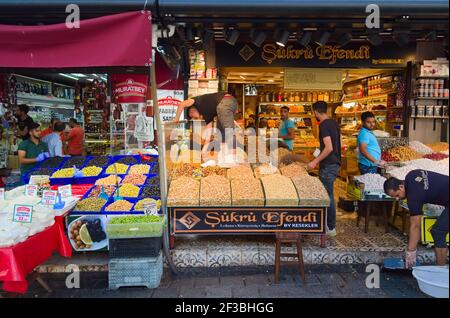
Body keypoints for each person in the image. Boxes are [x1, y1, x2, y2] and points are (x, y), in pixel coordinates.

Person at [384, 170, 449, 268]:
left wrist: (411, 252)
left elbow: (415, 226)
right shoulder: (411, 174)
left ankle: (441, 270)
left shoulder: (413, 197)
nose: (397, 199)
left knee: (438, 231)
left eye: (397, 195)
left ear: (401, 187)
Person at [307, 101, 341, 237]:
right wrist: (317, 154)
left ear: (315, 112)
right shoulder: (333, 123)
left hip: (329, 165)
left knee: (328, 196)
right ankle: (327, 224)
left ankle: (330, 226)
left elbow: (329, 147)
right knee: (328, 194)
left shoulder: (324, 125)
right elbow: (337, 144)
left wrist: (315, 161)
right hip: (335, 163)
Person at [173, 92, 238, 156]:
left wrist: (176, 118)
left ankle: (232, 157)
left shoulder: (196, 101)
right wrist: (204, 149)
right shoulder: (207, 114)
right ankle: (224, 155)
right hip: (229, 102)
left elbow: (182, 104)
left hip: (226, 101)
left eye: (192, 116)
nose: (193, 118)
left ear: (191, 110)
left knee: (229, 131)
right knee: (221, 132)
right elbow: (208, 133)